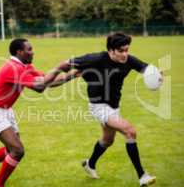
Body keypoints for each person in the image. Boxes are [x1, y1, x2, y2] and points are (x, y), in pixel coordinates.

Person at [49, 32, 158, 186]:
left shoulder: (129, 60)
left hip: (114, 106)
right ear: (111, 50)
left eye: (127, 49)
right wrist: (44, 81)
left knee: (107, 140)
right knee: (129, 131)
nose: (125, 54)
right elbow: (66, 71)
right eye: (121, 51)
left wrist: (156, 75)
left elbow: (146, 68)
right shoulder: (96, 59)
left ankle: (90, 164)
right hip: (98, 106)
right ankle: (142, 176)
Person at [0, 38, 71, 187]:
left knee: (12, 149)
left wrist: (73, 75)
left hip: (4, 109)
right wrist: (59, 67)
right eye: (29, 49)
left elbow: (47, 81)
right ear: (19, 52)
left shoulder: (25, 66)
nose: (32, 52)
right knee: (17, 150)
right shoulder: (13, 68)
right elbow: (40, 87)